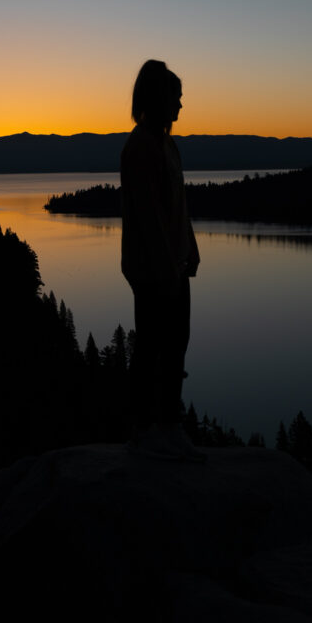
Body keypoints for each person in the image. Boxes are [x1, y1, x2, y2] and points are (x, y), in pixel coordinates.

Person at [121, 60, 204, 461]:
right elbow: (149, 215)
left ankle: (169, 426)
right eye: (176, 98)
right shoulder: (139, 147)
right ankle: (143, 428)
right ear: (158, 98)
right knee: (152, 345)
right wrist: (166, 269)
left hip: (174, 264)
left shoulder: (169, 146)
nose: (181, 106)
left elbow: (177, 207)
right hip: (152, 269)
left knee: (176, 344)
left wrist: (190, 247)